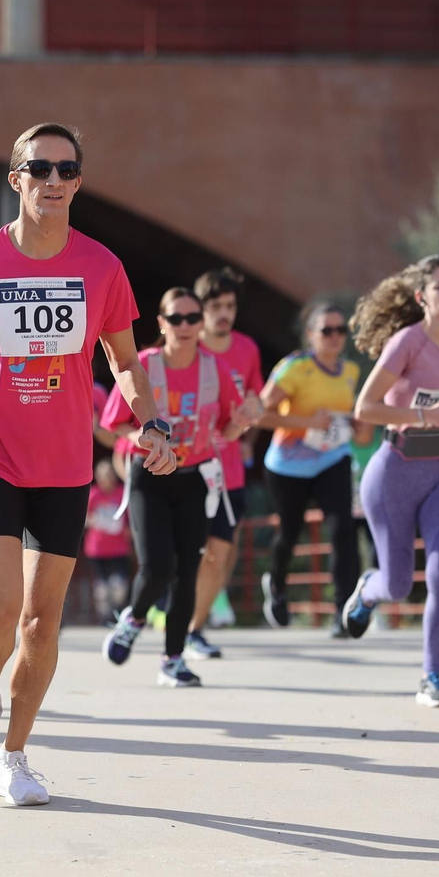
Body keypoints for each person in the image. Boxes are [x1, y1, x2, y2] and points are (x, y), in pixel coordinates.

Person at [0, 122, 177, 806]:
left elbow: (124, 361)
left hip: (64, 463)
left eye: (67, 170)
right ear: (17, 180)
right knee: (1, 608)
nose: (55, 181)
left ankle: (15, 756)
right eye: (39, 169)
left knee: (42, 623)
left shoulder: (101, 267)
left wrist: (149, 418)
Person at [340, 255, 439, 708]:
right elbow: (365, 409)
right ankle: (369, 589)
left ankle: (432, 676)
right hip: (394, 474)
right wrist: (423, 415)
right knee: (399, 585)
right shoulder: (408, 342)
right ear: (422, 297)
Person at [101, 287, 250, 687]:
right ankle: (132, 619)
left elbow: (228, 428)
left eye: (192, 318)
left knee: (188, 571)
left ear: (201, 324)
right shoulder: (144, 365)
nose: (185, 327)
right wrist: (143, 439)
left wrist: (246, 418)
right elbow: (113, 424)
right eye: (176, 318)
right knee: (157, 566)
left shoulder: (214, 368)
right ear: (162, 323)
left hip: (194, 479)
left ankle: (173, 659)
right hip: (148, 477)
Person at [258, 304, 363, 638]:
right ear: (310, 335)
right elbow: (260, 414)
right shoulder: (295, 368)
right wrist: (307, 424)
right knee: (289, 533)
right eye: (326, 330)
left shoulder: (350, 371)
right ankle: (276, 584)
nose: (334, 337)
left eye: (340, 330)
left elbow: (353, 422)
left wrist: (355, 425)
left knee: (342, 530)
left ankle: (343, 612)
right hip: (288, 465)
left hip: (332, 459)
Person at [189, 268, 265, 656]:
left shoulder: (248, 350)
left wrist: (251, 429)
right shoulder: (184, 345)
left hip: (229, 468)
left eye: (230, 306)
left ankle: (194, 629)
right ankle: (167, 613)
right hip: (186, 466)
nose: (224, 313)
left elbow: (256, 400)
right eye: (215, 306)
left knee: (219, 553)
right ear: (200, 309)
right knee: (185, 553)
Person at [84, 459, 131, 626]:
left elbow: (131, 517)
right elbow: (83, 519)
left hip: (119, 548)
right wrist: (96, 520)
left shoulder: (122, 493)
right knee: (102, 589)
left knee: (119, 586)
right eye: (103, 476)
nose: (107, 479)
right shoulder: (93, 494)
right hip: (97, 549)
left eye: (110, 475)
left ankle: (118, 612)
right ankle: (105, 618)